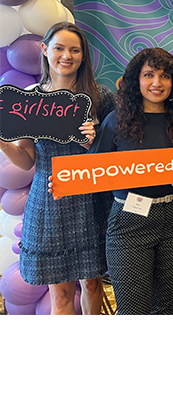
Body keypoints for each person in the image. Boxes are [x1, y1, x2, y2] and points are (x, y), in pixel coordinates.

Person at [0, 22, 115, 315]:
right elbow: (26, 160)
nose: (67, 56)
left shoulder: (100, 97)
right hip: (49, 200)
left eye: (75, 50)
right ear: (44, 49)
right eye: (59, 48)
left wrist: (94, 144)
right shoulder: (31, 99)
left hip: (92, 199)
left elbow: (117, 154)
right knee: (60, 294)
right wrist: (3, 144)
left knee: (92, 284)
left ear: (83, 55)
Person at [89, 48, 173, 315]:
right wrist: (65, 182)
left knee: (163, 306)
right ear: (136, 80)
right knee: (133, 309)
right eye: (149, 75)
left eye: (165, 76)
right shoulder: (116, 121)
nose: (157, 83)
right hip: (129, 219)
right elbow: (93, 170)